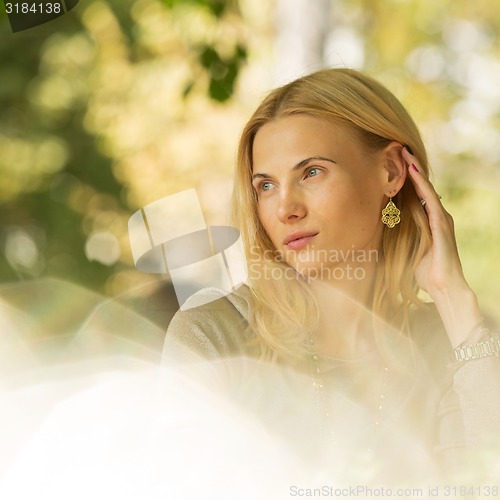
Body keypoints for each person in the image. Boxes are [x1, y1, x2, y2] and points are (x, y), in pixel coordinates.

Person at [162, 68, 500, 485]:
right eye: (266, 185)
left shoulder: (459, 344)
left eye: (311, 172)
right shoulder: (213, 337)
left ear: (392, 172)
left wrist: (454, 300)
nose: (286, 208)